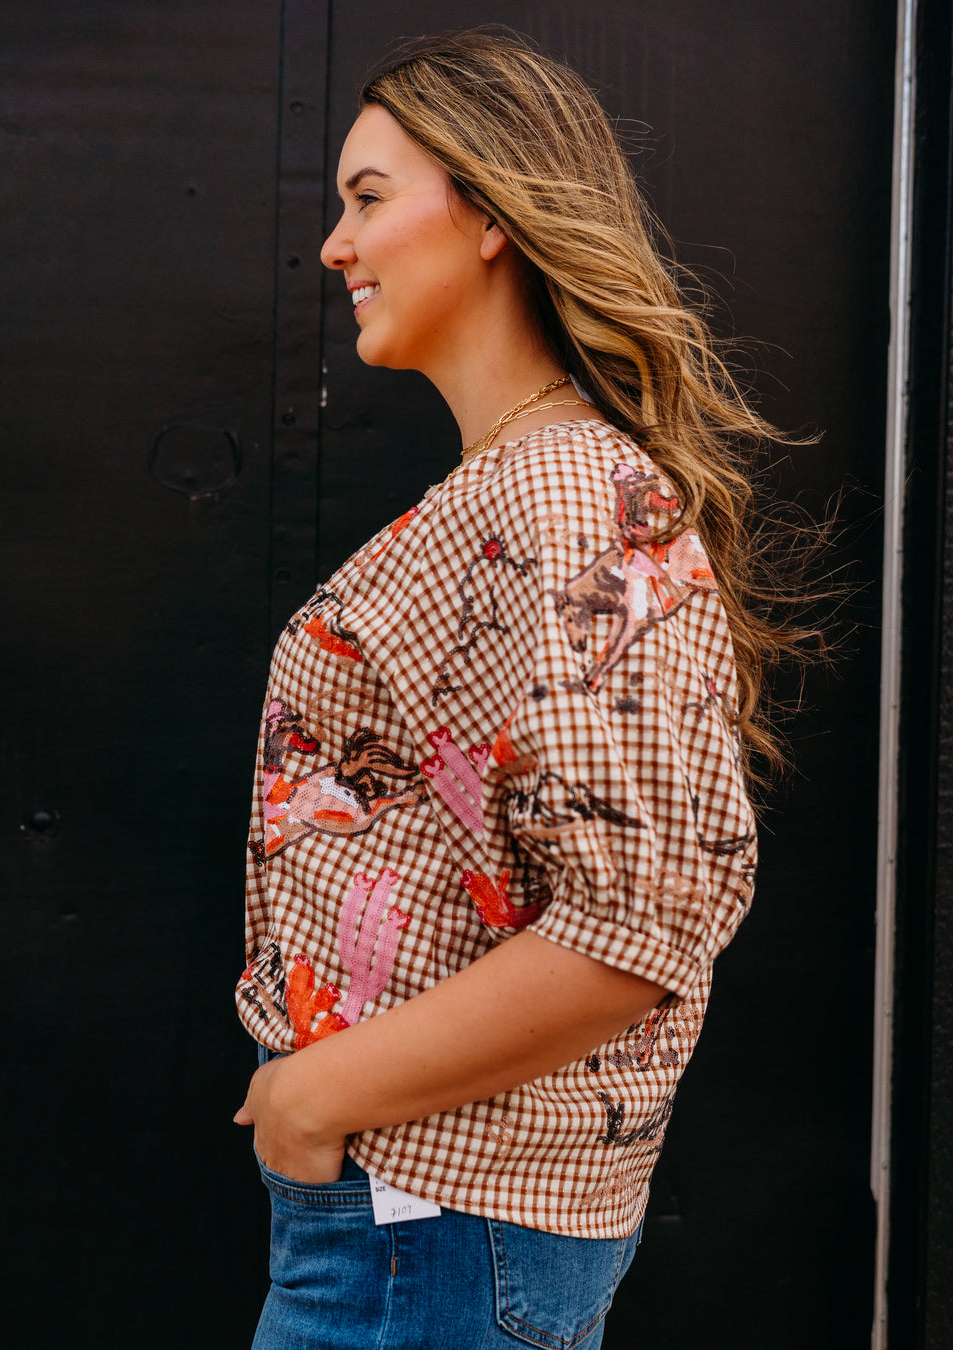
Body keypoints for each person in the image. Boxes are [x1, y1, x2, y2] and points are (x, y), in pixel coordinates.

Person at [234, 28, 791, 1350]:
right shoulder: (531, 491)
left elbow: (638, 919)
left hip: (429, 1229)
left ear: (490, 211)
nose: (335, 243)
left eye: (369, 197)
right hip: (424, 1220)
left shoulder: (571, 494)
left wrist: (315, 1097)